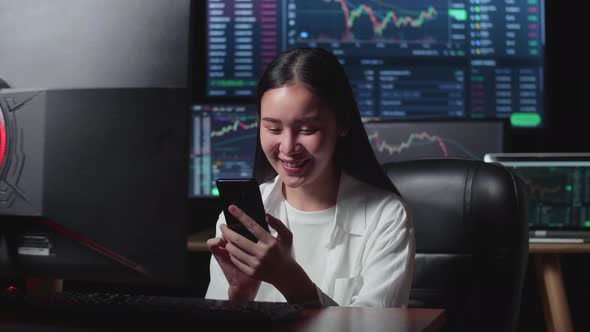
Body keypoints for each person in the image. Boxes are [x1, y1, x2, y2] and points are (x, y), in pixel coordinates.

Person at [206, 47, 414, 307]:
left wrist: (291, 282)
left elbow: (376, 326)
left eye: (307, 129)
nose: (287, 147)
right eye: (273, 128)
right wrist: (240, 299)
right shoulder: (239, 216)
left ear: (343, 124)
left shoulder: (386, 216)